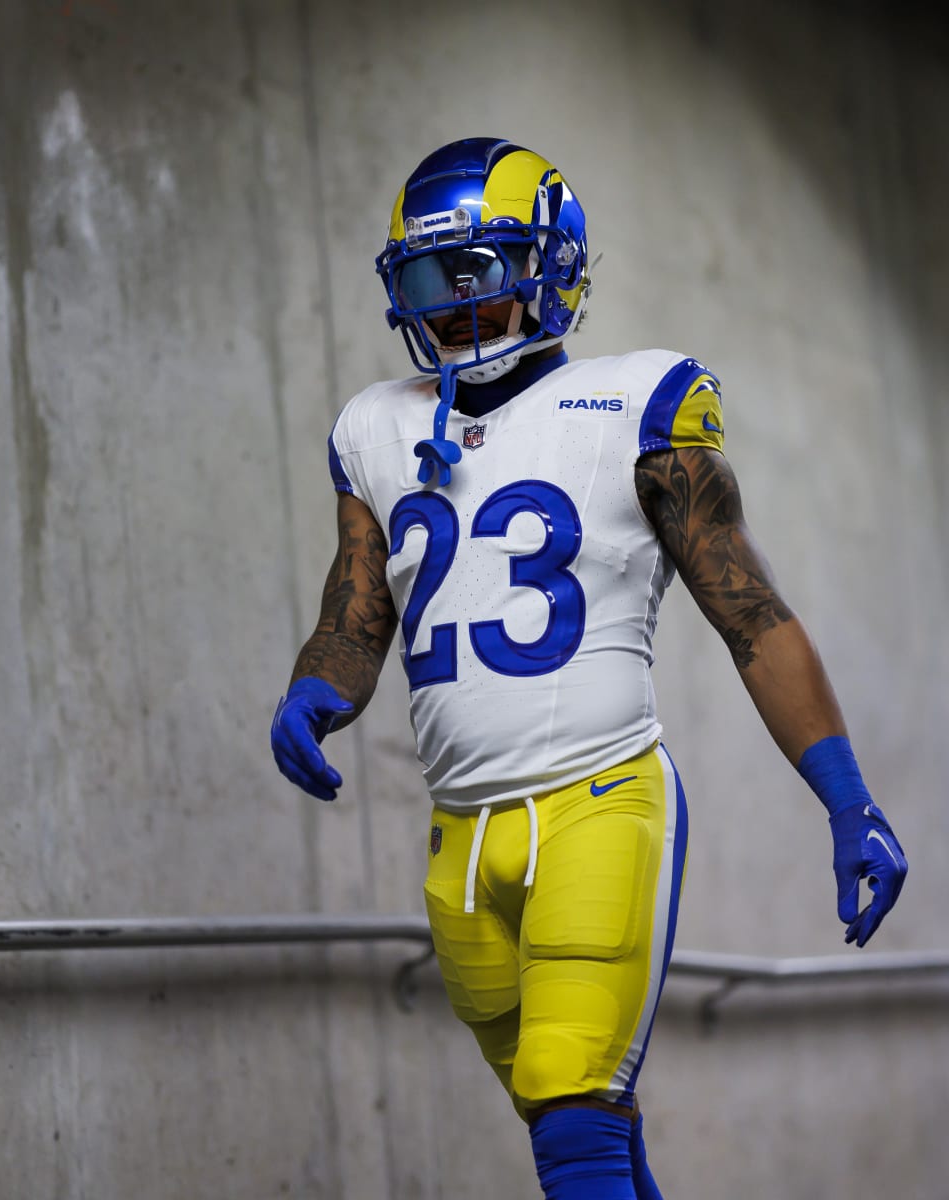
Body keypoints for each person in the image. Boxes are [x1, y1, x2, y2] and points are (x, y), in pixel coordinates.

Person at [270, 138, 907, 1200]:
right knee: (576, 1118)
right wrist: (314, 689)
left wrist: (848, 800)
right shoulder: (374, 428)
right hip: (460, 839)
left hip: (598, 799)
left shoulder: (641, 401)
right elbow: (358, 602)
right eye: (433, 280)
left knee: (574, 1109)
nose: (459, 306)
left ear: (551, 266)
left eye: (482, 273)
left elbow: (748, 612)